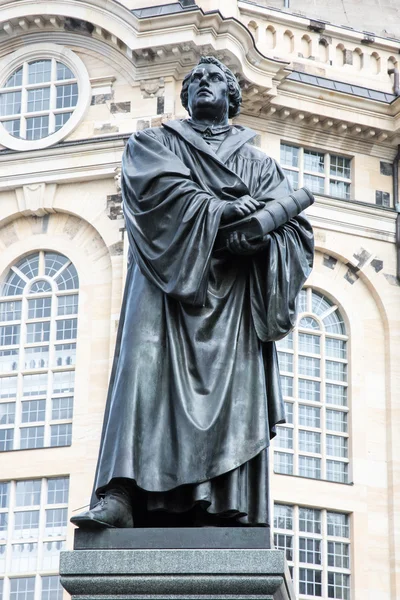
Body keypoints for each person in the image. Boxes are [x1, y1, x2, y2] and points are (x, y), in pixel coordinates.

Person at [71, 56, 314, 530]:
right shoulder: (155, 141)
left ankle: (224, 502)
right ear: (186, 96)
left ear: (231, 95)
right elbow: (154, 190)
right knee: (140, 371)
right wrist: (219, 210)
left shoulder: (259, 162)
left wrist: (262, 236)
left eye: (215, 79)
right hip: (165, 286)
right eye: (195, 79)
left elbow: (296, 233)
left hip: (233, 301)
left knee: (233, 392)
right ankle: (121, 495)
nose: (204, 83)